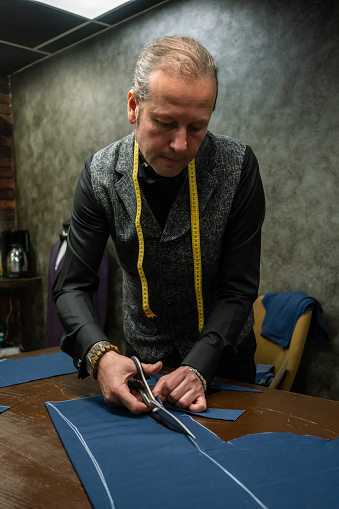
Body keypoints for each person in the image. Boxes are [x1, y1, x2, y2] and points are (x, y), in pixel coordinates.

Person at [54, 35, 265, 415]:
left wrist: (200, 366)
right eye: (165, 123)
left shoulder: (239, 167)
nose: (182, 145)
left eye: (197, 127)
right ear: (134, 106)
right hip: (142, 365)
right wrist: (99, 355)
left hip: (224, 363)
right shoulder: (99, 174)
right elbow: (71, 286)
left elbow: (238, 289)